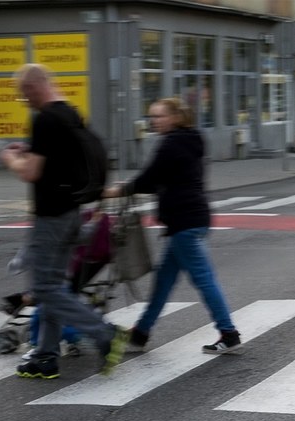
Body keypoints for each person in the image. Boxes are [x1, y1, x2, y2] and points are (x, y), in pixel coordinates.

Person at [0, 63, 129, 378]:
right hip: (73, 213)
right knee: (53, 287)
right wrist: (30, 150)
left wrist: (11, 159)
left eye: (23, 96)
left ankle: (105, 334)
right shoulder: (71, 114)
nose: (24, 102)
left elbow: (31, 173)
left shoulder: (45, 119)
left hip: (51, 216)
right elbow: (58, 160)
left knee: (45, 287)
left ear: (32, 88)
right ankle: (45, 355)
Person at [103, 97, 242, 355]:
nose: (154, 121)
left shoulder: (171, 144)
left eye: (159, 116)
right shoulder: (192, 139)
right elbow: (161, 179)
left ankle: (228, 332)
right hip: (192, 219)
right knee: (164, 282)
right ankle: (141, 333)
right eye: (152, 117)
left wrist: (115, 191)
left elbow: (148, 179)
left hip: (184, 223)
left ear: (176, 117)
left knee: (204, 280)